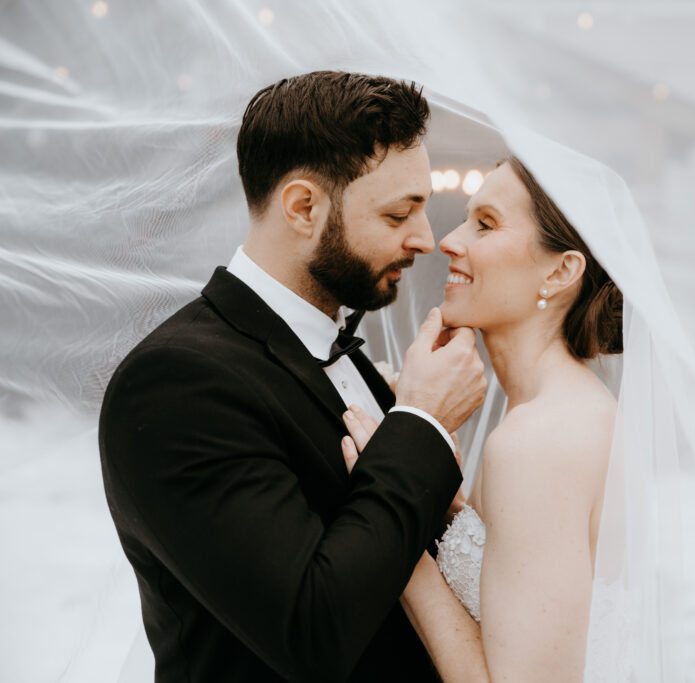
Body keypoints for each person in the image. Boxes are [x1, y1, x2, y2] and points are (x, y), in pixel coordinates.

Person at [98, 70, 487, 682]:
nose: (425, 238)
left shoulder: (343, 351)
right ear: (303, 207)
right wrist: (422, 424)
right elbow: (312, 629)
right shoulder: (178, 383)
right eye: (397, 213)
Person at [340, 156, 624, 681]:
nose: (447, 240)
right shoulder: (558, 411)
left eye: (485, 224)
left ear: (561, 271)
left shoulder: (541, 440)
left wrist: (392, 529)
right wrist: (443, 503)